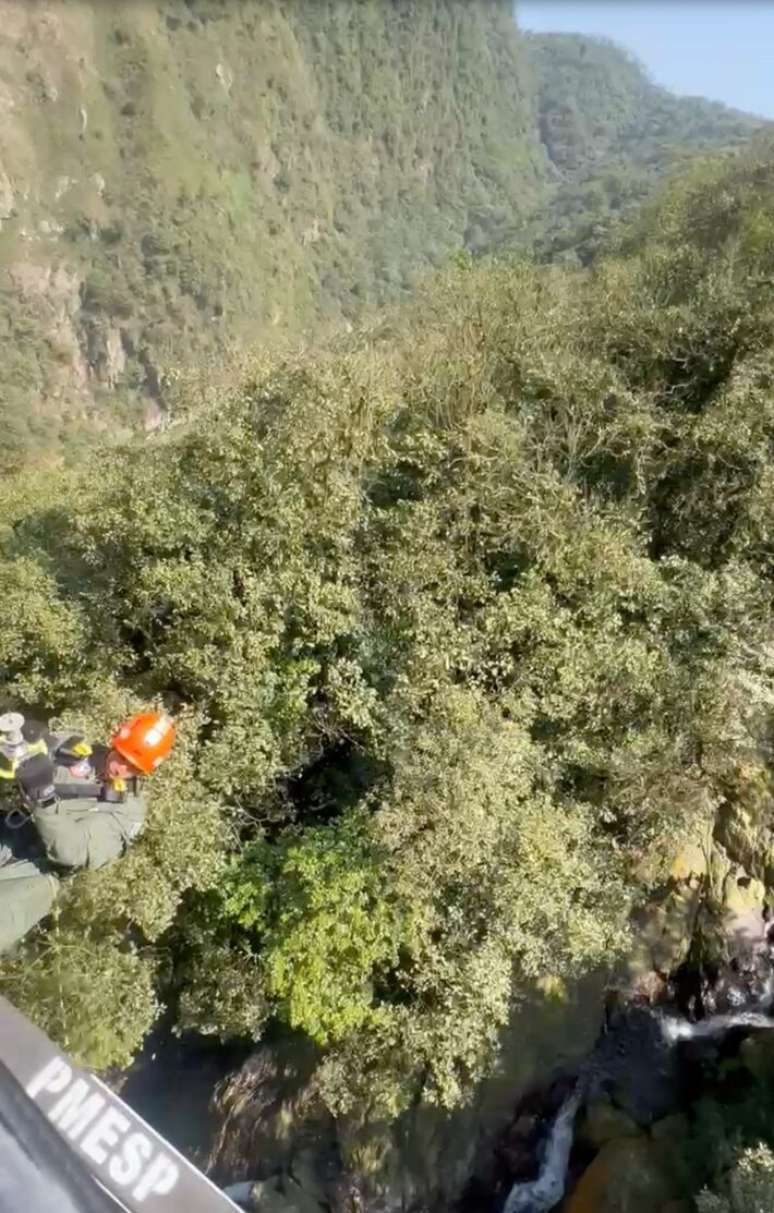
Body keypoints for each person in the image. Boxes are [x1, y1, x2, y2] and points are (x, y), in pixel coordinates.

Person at [0, 712, 175, 953]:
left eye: (133, 767)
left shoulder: (127, 813)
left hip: (37, 874)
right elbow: (17, 766)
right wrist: (14, 749)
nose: (121, 768)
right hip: (11, 831)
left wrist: (44, 799)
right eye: (122, 757)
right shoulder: (71, 748)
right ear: (116, 741)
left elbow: (72, 851)